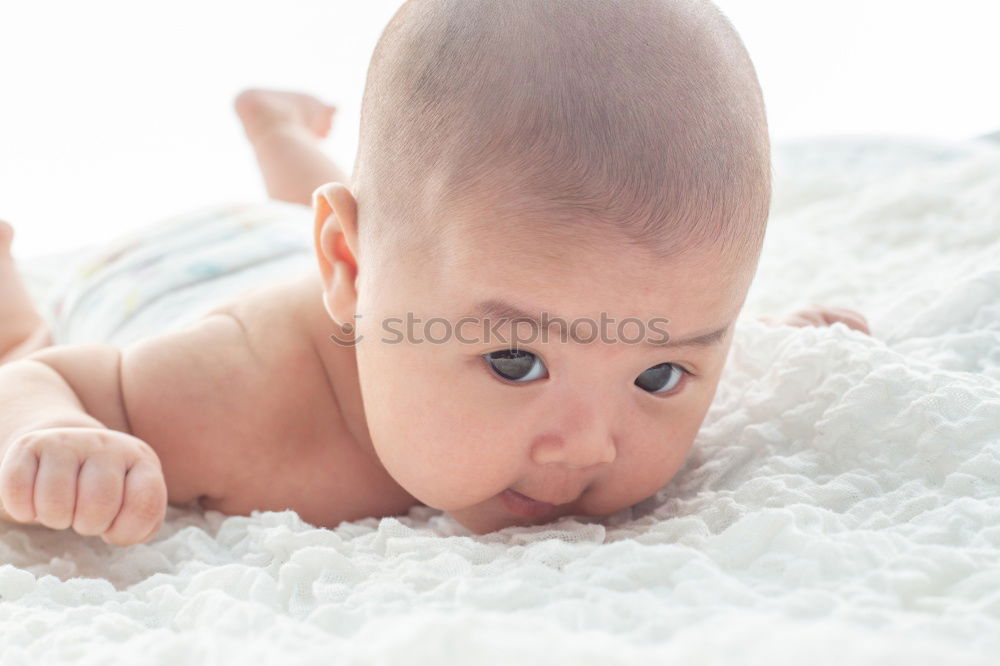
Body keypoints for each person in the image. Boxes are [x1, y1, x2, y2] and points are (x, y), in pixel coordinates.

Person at [0, 0, 870, 546]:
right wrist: (53, 437)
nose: (585, 449)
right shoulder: (234, 396)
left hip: (356, 260)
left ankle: (277, 130)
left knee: (392, 226)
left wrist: (768, 342)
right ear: (342, 267)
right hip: (163, 271)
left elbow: (619, 314)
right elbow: (44, 378)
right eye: (515, 362)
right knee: (29, 330)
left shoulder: (542, 301)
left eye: (659, 373)